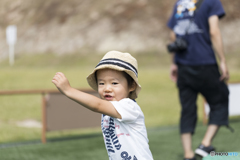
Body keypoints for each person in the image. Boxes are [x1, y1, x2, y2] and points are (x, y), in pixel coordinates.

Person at [52, 50, 154, 160]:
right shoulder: (109, 108)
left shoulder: (129, 107)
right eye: (101, 83)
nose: (107, 89)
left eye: (114, 83)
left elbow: (97, 105)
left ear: (132, 86)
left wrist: (69, 90)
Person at [167, 0, 230, 160]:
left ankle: (188, 154)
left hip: (183, 65)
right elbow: (214, 31)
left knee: (187, 109)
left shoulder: (180, 3)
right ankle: (205, 144)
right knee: (220, 101)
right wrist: (222, 60)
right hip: (205, 63)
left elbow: (173, 34)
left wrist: (173, 63)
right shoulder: (211, 2)